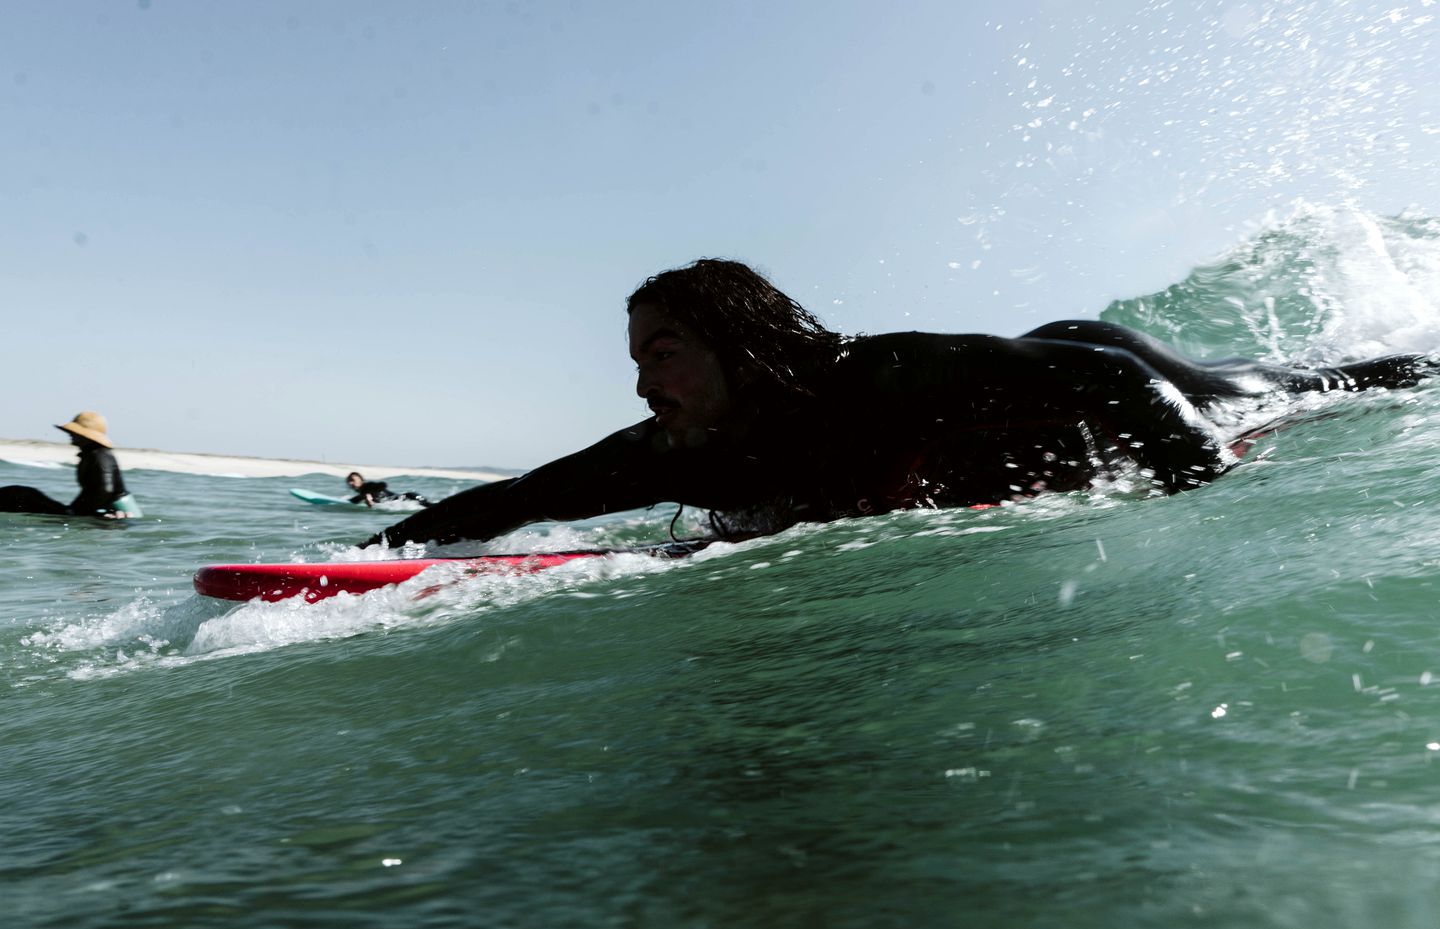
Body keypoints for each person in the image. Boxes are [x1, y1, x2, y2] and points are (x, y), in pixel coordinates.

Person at [362, 258, 1434, 549]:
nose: (644, 380)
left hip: (1080, 375)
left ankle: (1402, 364)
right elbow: (518, 500)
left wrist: (1200, 481)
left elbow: (1116, 387)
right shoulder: (674, 450)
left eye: (666, 350)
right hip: (986, 456)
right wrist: (381, 559)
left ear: (741, 344)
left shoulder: (880, 374)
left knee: (1272, 390)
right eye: (637, 358)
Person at [0, 411, 140, 519]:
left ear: (87, 436)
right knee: (21, 494)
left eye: (75, 433)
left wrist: (78, 514)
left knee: (24, 495)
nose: (71, 435)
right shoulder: (91, 454)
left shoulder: (100, 456)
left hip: (119, 513)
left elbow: (105, 490)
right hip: (90, 509)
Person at [345, 472, 432, 508]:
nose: (350, 483)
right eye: (348, 481)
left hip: (409, 497)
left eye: (352, 480)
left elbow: (383, 485)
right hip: (402, 501)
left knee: (431, 506)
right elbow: (354, 501)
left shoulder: (369, 486)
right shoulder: (362, 494)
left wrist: (369, 494)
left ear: (361, 480)